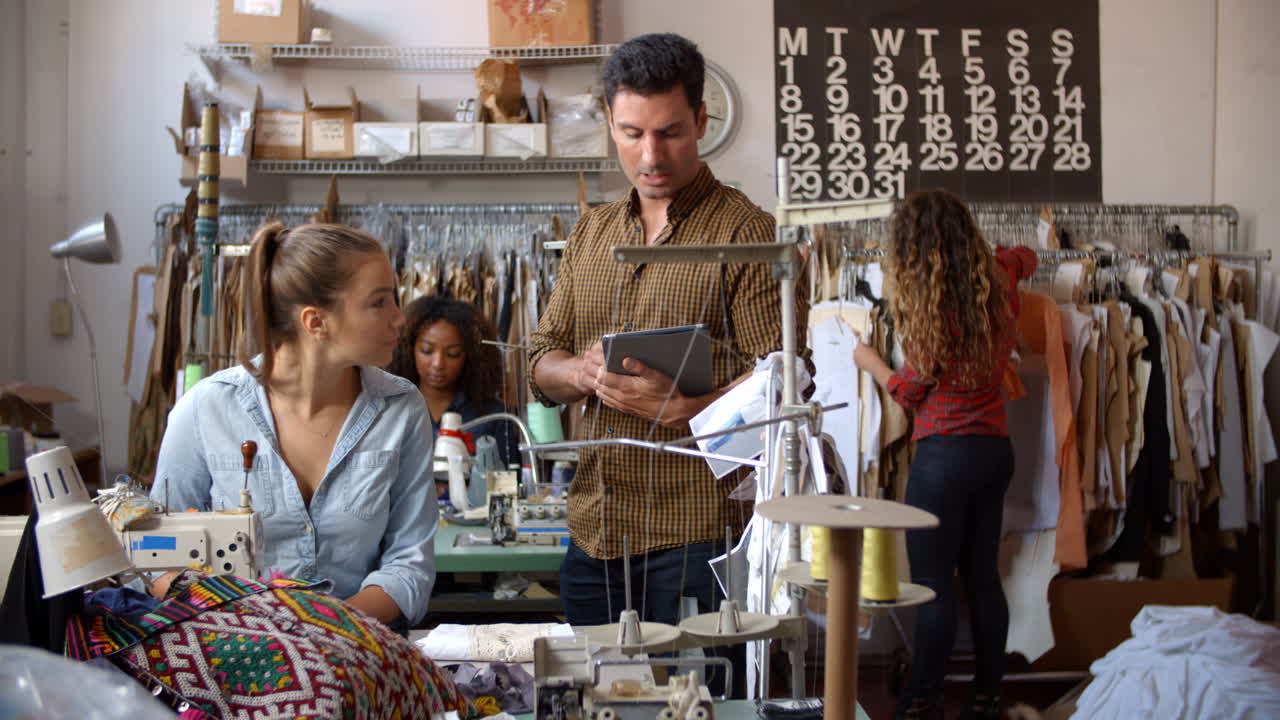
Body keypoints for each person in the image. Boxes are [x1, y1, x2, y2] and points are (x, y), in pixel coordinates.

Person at [527, 32, 803, 692]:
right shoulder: (591, 233)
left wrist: (686, 411)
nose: (650, 156)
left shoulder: (746, 233)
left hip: (698, 535)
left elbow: (787, 375)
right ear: (610, 125)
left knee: (704, 700)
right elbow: (538, 361)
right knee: (598, 700)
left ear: (702, 121)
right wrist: (580, 374)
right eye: (631, 133)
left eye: (671, 133)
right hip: (595, 527)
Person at [152, 222, 437, 633]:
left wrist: (316, 633)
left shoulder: (400, 408)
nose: (399, 319)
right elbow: (159, 561)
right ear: (315, 321)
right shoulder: (205, 409)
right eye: (379, 303)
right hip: (233, 658)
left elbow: (409, 564)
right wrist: (251, 632)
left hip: (359, 657)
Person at [853, 190, 1037, 720]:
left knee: (933, 585)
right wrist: (1003, 254)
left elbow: (910, 392)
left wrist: (869, 360)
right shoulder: (1000, 274)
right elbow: (1029, 255)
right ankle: (987, 695)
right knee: (982, 577)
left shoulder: (933, 307)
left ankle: (920, 700)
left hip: (944, 457)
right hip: (994, 452)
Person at [387, 295, 521, 473]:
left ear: (469, 357)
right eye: (427, 351)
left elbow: (508, 481)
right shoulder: (391, 410)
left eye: (452, 354)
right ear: (410, 349)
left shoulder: (492, 416)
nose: (438, 363)